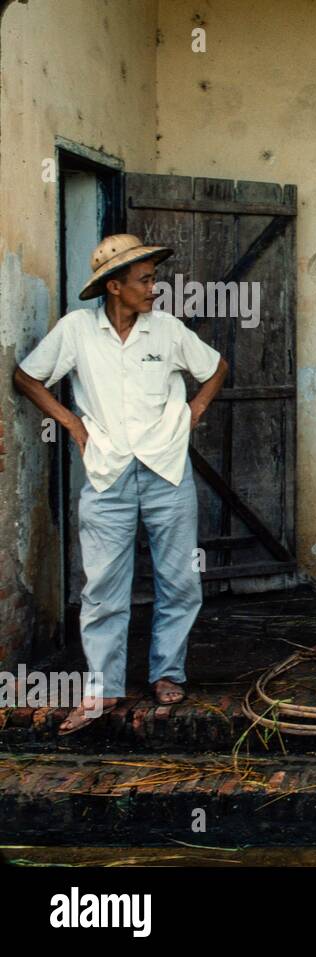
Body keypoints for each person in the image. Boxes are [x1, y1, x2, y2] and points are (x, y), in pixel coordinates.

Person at [13, 234, 229, 733]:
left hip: (166, 471)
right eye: (145, 280)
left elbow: (215, 367)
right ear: (115, 286)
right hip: (107, 472)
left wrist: (195, 409)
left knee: (178, 579)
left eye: (153, 277)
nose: (155, 287)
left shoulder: (168, 330)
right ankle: (104, 687)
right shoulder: (77, 331)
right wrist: (72, 423)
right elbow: (27, 377)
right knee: (104, 587)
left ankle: (168, 673)